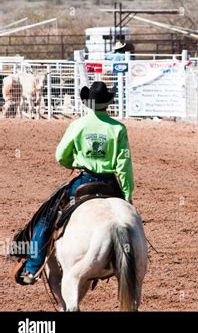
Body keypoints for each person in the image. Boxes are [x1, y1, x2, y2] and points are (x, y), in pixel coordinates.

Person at [19, 81, 134, 284]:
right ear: (108, 103)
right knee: (128, 220)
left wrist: (73, 163)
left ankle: (32, 267)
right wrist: (127, 195)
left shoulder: (78, 125)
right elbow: (124, 166)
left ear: (89, 103)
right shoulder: (118, 128)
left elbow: (60, 155)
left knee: (47, 217)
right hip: (109, 183)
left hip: (83, 179)